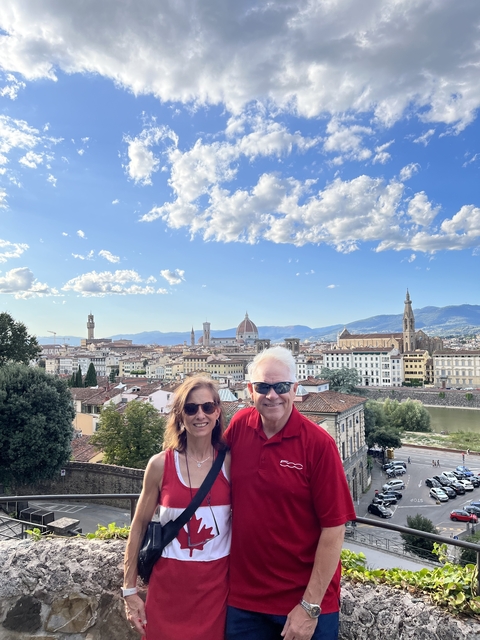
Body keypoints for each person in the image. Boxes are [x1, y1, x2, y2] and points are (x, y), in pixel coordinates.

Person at [225, 346, 356, 640]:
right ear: (250, 390)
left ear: (295, 389)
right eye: (263, 387)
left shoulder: (318, 444)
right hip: (244, 603)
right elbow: (206, 471)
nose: (272, 395)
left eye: (281, 386)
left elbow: (334, 529)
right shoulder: (238, 427)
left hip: (305, 604)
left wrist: (309, 607)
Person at [122, 377, 231, 639]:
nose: (200, 415)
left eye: (207, 407)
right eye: (191, 408)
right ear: (180, 415)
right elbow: (138, 526)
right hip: (167, 594)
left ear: (217, 411)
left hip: (215, 597)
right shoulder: (160, 465)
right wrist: (129, 590)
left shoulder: (231, 463)